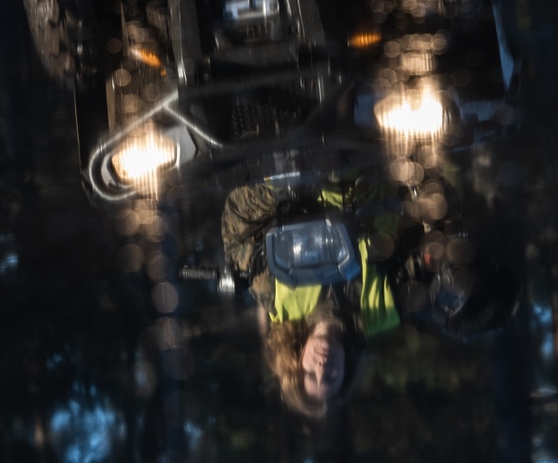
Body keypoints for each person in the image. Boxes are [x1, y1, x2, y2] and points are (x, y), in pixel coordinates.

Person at [221, 178, 519, 418]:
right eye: (330, 379)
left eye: (310, 375)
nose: (322, 368)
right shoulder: (386, 311)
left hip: (297, 162)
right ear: (347, 371)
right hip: (376, 162)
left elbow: (238, 221)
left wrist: (280, 185)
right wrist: (436, 216)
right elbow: (432, 248)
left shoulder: (273, 295)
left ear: (295, 363)